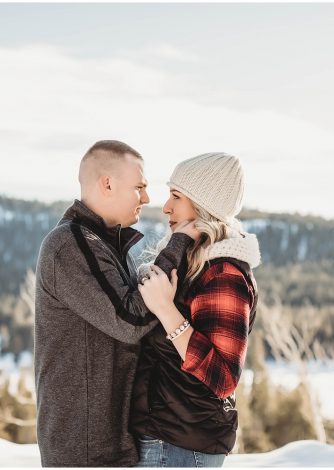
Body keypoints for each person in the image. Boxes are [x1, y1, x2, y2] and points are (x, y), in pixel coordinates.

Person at [33, 140, 197, 466]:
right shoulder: (70, 245)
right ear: (107, 184)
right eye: (140, 187)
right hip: (85, 452)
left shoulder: (103, 245)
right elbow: (129, 320)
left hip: (109, 445)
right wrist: (180, 242)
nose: (147, 199)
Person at [131, 152, 261, 467]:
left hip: (180, 445)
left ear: (204, 205)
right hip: (164, 436)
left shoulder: (223, 273)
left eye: (176, 196)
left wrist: (167, 312)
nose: (166, 207)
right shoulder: (194, 263)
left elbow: (223, 377)